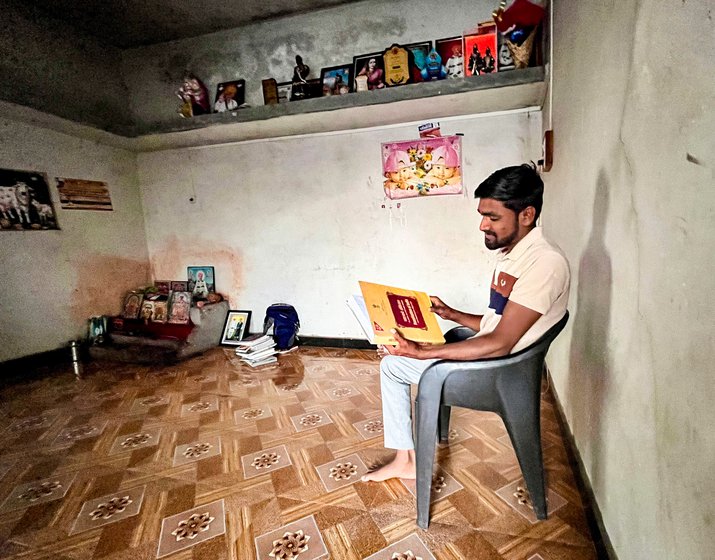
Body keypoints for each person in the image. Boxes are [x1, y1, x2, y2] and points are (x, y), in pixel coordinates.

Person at [361, 163, 570, 482]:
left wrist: (421, 352)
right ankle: (405, 459)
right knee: (398, 355)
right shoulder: (515, 254)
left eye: (493, 217)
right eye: (482, 215)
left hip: (498, 374)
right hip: (497, 362)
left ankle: (407, 461)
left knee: (393, 365)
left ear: (526, 215)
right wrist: (452, 314)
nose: (483, 225)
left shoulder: (545, 264)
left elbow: (500, 342)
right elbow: (496, 324)